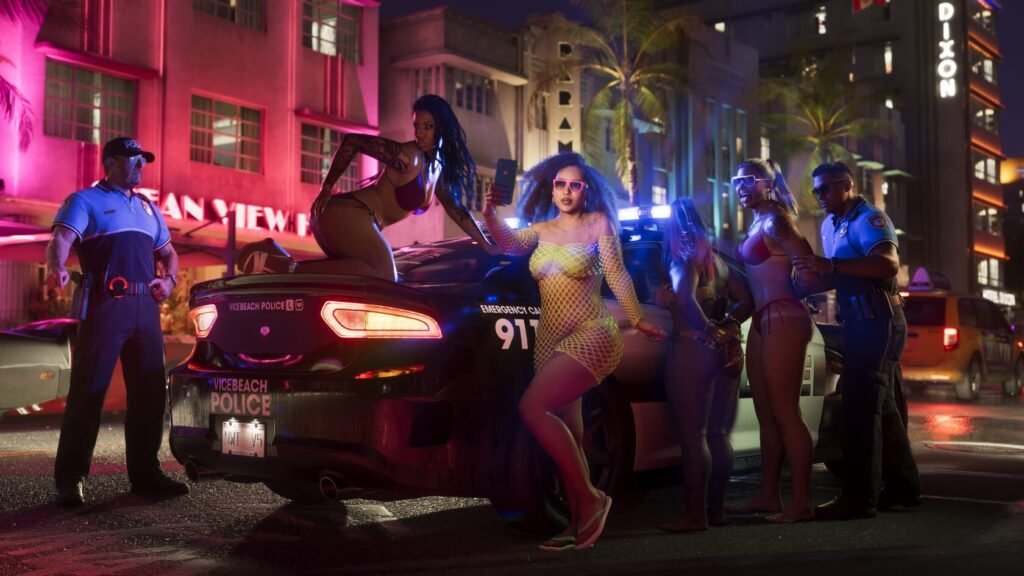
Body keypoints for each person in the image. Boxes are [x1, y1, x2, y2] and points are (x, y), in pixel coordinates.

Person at [482, 152, 666, 551]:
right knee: (571, 433)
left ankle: (592, 500)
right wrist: (490, 211)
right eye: (561, 184)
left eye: (575, 185)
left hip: (592, 332)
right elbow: (508, 246)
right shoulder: (541, 230)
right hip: (549, 341)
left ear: (587, 190)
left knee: (532, 408)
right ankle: (576, 522)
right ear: (552, 188)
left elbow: (616, 273)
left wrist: (636, 319)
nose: (567, 191)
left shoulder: (598, 224)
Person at [46, 136, 188, 506]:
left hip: (146, 312)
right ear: (110, 162)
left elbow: (170, 255)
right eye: (132, 159)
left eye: (143, 160)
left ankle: (145, 475)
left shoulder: (148, 209)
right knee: (88, 393)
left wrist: (169, 281)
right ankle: (70, 478)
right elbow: (62, 238)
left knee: (151, 397)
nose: (140, 165)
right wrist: (56, 267)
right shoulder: (85, 200)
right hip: (106, 304)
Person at [792, 162, 921, 520]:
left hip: (879, 320)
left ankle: (859, 498)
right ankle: (904, 487)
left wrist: (829, 267)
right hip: (860, 321)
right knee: (882, 409)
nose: (819, 196)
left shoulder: (869, 219)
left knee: (861, 410)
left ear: (847, 185)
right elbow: (843, 273)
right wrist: (810, 282)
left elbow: (887, 264)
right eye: (815, 190)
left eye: (825, 189)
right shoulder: (830, 224)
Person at [300, 94, 494, 280]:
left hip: (355, 220)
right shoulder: (409, 156)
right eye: (416, 126)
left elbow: (456, 209)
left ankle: (275, 257)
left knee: (374, 279)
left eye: (428, 127)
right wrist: (326, 188)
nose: (419, 133)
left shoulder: (437, 168)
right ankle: (289, 268)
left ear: (443, 129)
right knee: (386, 273)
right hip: (346, 215)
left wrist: (488, 247)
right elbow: (353, 141)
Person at [657, 198, 753, 532]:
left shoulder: (682, 259)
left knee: (693, 437)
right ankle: (717, 511)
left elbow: (685, 298)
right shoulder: (717, 261)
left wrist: (707, 329)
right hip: (726, 354)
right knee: (718, 434)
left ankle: (694, 516)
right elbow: (747, 299)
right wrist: (726, 325)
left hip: (692, 350)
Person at [729, 158, 817, 523]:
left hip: (783, 315)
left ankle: (801, 502)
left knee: (784, 412)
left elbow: (808, 262)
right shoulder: (759, 222)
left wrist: (800, 286)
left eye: (749, 180)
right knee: (766, 413)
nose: (741, 187)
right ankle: (769, 495)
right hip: (765, 319)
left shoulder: (778, 219)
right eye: (736, 181)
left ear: (768, 183)